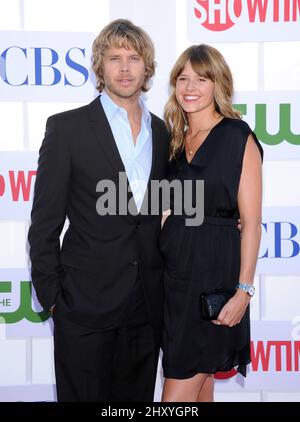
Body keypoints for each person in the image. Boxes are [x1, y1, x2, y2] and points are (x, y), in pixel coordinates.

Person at [28, 19, 169, 402]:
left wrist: (225, 216)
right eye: (114, 58)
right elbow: (44, 224)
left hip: (145, 307)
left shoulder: (163, 132)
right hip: (83, 306)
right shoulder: (67, 129)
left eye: (134, 58)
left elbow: (168, 207)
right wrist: (55, 299)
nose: (125, 68)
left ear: (147, 67)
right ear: (99, 66)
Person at [159, 44, 263, 402]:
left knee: (175, 397)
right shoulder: (173, 141)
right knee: (201, 388)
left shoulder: (237, 137)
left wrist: (243, 292)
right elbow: (163, 209)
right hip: (173, 283)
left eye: (201, 79)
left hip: (212, 280)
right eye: (183, 78)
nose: (190, 87)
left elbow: (251, 222)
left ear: (217, 84)